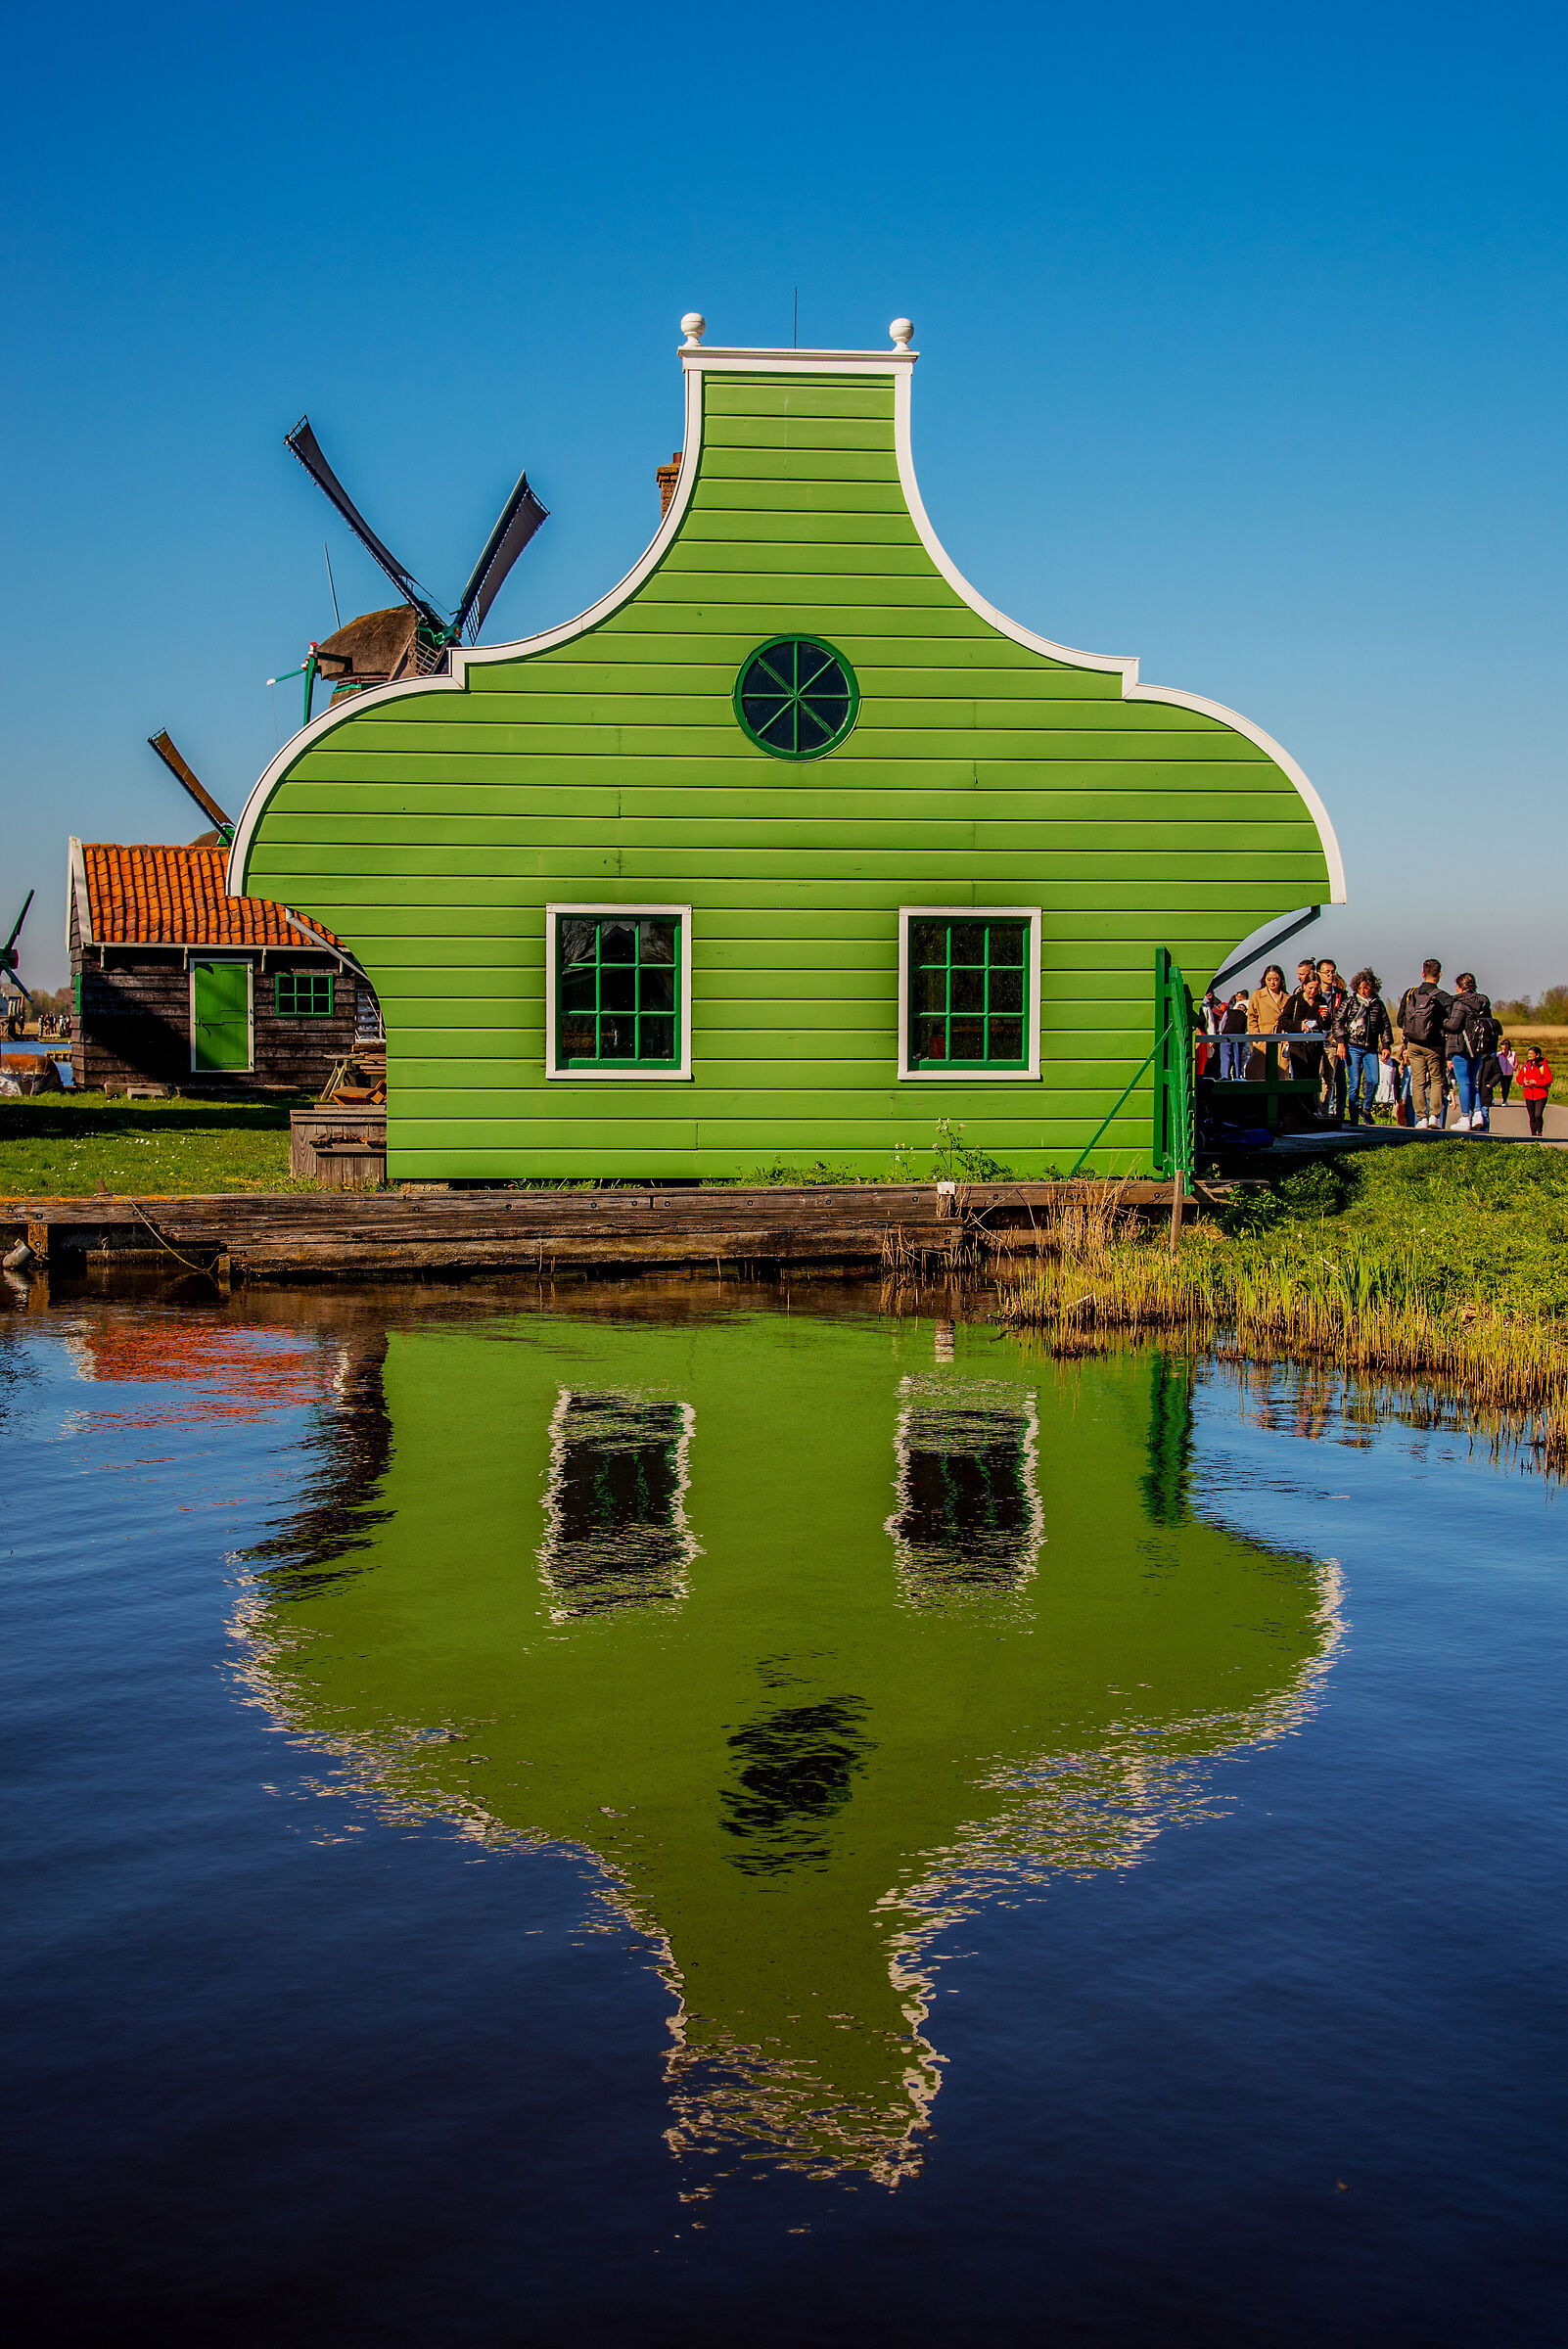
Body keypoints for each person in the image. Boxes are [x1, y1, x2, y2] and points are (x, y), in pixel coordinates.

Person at [1396, 958, 1453, 1129]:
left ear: (1422, 973)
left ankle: (1421, 1118)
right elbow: (1451, 1022)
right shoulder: (1443, 997)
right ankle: (1435, 1115)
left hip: (1413, 1044)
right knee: (1437, 1080)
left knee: (1418, 1081)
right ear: (1439, 975)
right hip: (1435, 1045)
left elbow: (1400, 1020)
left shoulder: (1410, 993)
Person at [1335, 968, 1394, 1125]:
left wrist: (1386, 1045)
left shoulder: (1378, 1005)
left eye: (1366, 988)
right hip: (1353, 1046)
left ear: (1372, 988)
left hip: (1371, 1048)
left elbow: (1385, 1026)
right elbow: (1338, 1022)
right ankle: (1353, 1115)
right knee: (1354, 1083)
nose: (1363, 991)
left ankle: (1366, 1108)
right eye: (1360, 988)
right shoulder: (1350, 1002)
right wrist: (1341, 1041)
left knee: (1373, 1080)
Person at [1445, 972, 1498, 1132]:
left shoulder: (1459, 1002)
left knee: (1464, 1082)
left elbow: (1454, 1025)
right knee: (1472, 1081)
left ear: (1459, 986)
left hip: (1460, 1045)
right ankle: (1478, 1113)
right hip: (1478, 1047)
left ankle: (1465, 1117)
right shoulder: (1483, 1002)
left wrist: (1443, 1021)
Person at [1280, 969, 1331, 1107]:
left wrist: (1325, 1018)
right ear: (1304, 986)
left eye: (1316, 988)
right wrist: (1299, 1025)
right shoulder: (1294, 1000)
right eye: (1310, 988)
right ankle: (1300, 1108)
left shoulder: (1321, 1001)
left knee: (1312, 1079)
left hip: (1314, 1047)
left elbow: (1326, 1026)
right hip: (1298, 1046)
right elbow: (1283, 1022)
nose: (1313, 991)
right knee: (1299, 1078)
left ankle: (1311, 1108)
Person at [1315, 958, 1349, 1119]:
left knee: (1329, 1078)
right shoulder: (1314, 993)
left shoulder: (1340, 995)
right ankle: (1314, 1108)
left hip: (1332, 1041)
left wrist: (1339, 1039)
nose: (1330, 975)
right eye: (1326, 972)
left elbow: (1343, 1019)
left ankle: (1324, 1110)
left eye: (1332, 972)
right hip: (1315, 1039)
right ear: (1319, 973)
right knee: (1316, 1076)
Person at [1247, 964, 1289, 1081]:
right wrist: (1255, 1036)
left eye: (1276, 979)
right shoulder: (1258, 995)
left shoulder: (1287, 998)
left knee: (1281, 1073)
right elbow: (1251, 1017)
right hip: (1263, 1036)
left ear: (1281, 980)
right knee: (1258, 1072)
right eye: (1269, 979)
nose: (1272, 983)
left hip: (1281, 1038)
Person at [1518, 1045, 1553, 1139]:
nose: (1529, 1055)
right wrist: (1524, 1082)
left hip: (1541, 1094)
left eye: (1531, 1054)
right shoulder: (1526, 1066)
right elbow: (1519, 1078)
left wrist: (1536, 1082)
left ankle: (1539, 1131)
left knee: (1538, 1114)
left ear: (1537, 1055)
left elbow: (1549, 1079)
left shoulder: (1543, 1066)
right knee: (1531, 1116)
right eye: (1528, 1054)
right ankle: (1533, 1135)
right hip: (1528, 1094)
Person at [1221, 988, 1250, 1081]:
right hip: (1238, 1037)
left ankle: (1225, 1075)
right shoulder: (1245, 1016)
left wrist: (1220, 1032)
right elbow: (1246, 1028)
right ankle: (1237, 1075)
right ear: (1244, 1010)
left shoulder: (1228, 1012)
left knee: (1226, 1056)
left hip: (1226, 1036)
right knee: (1237, 1057)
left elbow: (1222, 1023)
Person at [1496, 1037, 1517, 1103]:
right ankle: (1504, 1100)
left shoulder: (1513, 1054)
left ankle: (1505, 1098)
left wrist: (1514, 1067)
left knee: (1507, 1086)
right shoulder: (1499, 1054)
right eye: (1502, 1045)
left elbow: (1516, 1062)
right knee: (1503, 1086)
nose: (1504, 1046)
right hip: (1502, 1072)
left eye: (1505, 1044)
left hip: (1510, 1072)